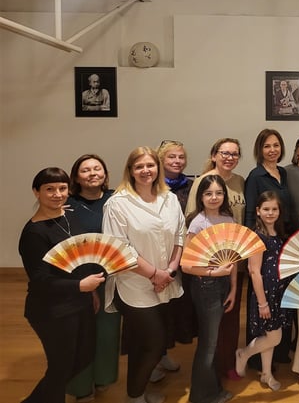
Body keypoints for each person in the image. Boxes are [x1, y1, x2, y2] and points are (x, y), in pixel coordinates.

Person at [103, 147, 185, 403]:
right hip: (134, 285)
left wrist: (169, 271)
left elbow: (180, 236)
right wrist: (155, 274)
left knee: (146, 344)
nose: (146, 170)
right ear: (130, 171)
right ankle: (136, 396)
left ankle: (136, 393)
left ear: (158, 168)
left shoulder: (169, 198)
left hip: (166, 280)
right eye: (139, 166)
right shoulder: (118, 203)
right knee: (152, 343)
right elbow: (118, 249)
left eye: (150, 165)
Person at [19, 167, 105, 403]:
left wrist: (91, 291)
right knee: (60, 367)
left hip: (80, 302)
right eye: (49, 189)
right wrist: (80, 286)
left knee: (84, 357)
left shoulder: (68, 216)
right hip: (52, 310)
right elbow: (40, 280)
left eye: (62, 188)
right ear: (36, 192)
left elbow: (80, 258)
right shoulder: (34, 233)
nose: (57, 194)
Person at [186, 138, 246, 380]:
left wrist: (233, 275)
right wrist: (209, 270)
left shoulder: (240, 182)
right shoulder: (202, 183)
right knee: (210, 330)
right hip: (206, 271)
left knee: (230, 319)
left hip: (232, 261)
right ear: (214, 155)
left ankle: (226, 364)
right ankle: (209, 374)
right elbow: (191, 229)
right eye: (225, 153)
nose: (229, 157)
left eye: (234, 154)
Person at [64, 155, 121, 403]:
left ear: (105, 173)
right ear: (76, 177)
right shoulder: (67, 204)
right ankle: (81, 388)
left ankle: (103, 378)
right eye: (85, 170)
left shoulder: (115, 200)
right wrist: (83, 284)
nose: (92, 173)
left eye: (97, 168)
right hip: (78, 278)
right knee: (80, 335)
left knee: (108, 332)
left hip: (111, 276)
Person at [181, 175, 237, 403]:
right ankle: (200, 396)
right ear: (201, 197)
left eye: (218, 193)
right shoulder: (197, 223)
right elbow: (186, 265)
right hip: (206, 286)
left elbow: (233, 257)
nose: (214, 197)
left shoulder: (229, 219)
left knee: (213, 342)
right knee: (208, 344)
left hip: (224, 285)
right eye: (208, 193)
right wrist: (215, 273)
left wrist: (233, 288)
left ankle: (213, 391)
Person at [234, 192, 288, 391]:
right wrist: (262, 302)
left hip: (277, 292)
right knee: (275, 337)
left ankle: (266, 373)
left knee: (269, 337)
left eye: (274, 209)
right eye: (266, 209)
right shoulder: (257, 236)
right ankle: (244, 354)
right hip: (265, 293)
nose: (270, 213)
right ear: (258, 211)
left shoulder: (277, 232)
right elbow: (254, 271)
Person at [157, 140, 195, 367]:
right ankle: (155, 356)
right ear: (161, 160)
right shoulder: (154, 185)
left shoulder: (190, 186)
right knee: (159, 306)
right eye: (172, 157)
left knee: (176, 305)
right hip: (160, 254)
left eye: (181, 157)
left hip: (186, 252)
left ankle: (165, 352)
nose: (177, 161)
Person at [244, 129, 291, 232]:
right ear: (260, 149)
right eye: (267, 146)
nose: (272, 150)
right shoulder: (255, 176)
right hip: (264, 233)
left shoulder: (283, 172)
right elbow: (250, 213)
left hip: (284, 232)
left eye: (276, 145)